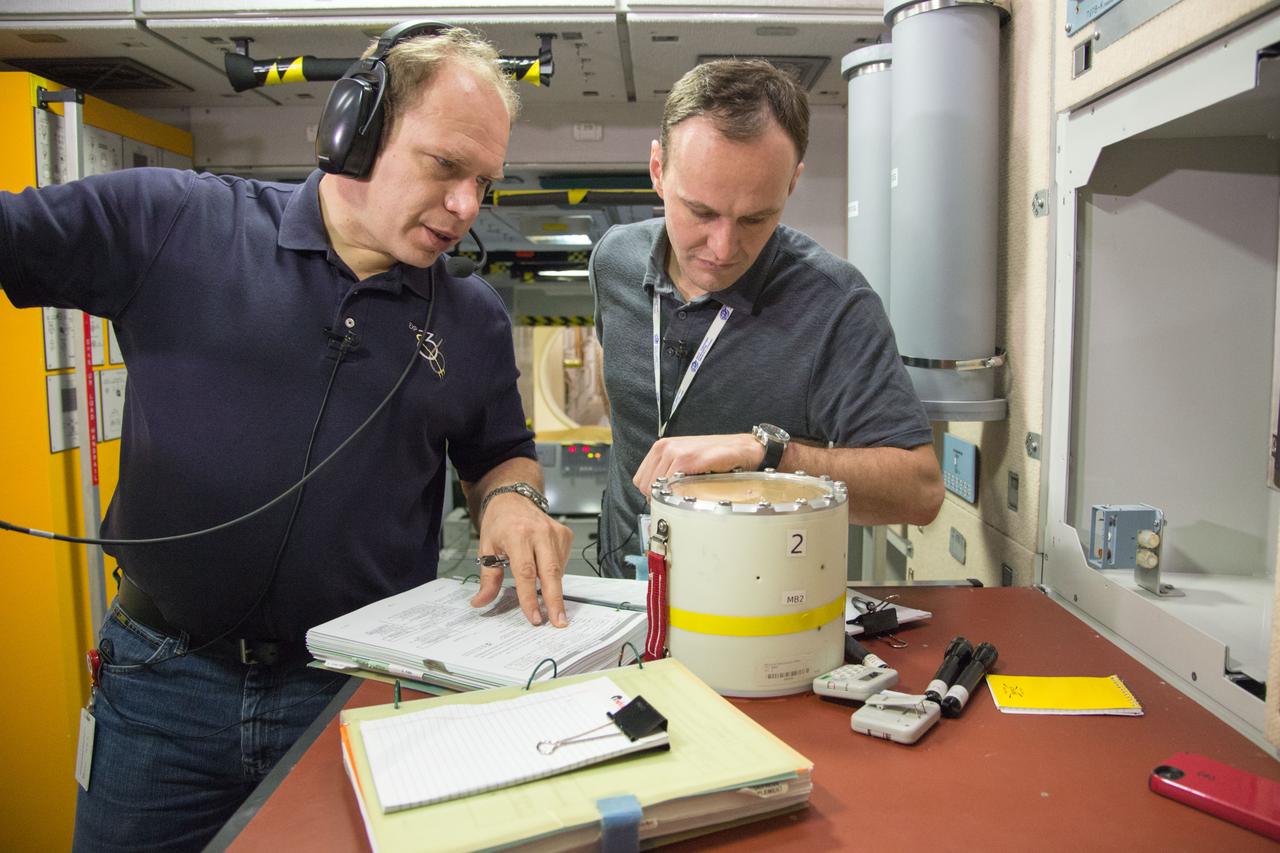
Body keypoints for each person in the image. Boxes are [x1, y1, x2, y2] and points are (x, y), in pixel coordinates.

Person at [0, 25, 572, 851]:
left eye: (485, 181)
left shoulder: (472, 317)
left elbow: (498, 452)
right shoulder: (177, 221)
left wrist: (513, 497)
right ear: (356, 133)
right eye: (446, 167)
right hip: (162, 686)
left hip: (357, 686)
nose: (467, 207)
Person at [590, 59, 943, 577]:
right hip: (623, 582)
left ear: (792, 182)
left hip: (755, 611)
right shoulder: (613, 260)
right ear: (658, 169)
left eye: (756, 218)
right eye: (701, 211)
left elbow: (920, 492)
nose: (723, 247)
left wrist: (765, 454)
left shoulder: (836, 305)